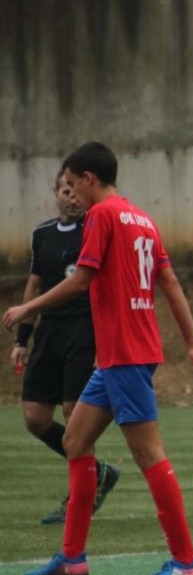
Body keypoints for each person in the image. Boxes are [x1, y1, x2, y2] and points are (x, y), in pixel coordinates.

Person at [3, 141, 193, 575]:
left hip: (125, 353)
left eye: (72, 184)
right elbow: (170, 283)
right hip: (122, 355)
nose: (70, 194)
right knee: (76, 442)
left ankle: (186, 562)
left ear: (88, 178)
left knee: (148, 453)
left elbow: (81, 280)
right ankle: (71, 558)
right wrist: (192, 343)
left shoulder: (101, 216)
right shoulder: (142, 218)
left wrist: (29, 310)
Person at [11, 170, 120, 524]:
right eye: (66, 190)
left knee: (76, 415)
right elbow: (35, 285)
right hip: (49, 332)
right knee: (35, 417)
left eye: (77, 190)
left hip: (84, 331)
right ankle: (98, 473)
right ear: (55, 191)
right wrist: (22, 339)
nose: (72, 198)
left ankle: (81, 496)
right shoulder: (42, 234)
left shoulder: (96, 226)